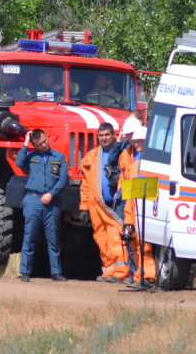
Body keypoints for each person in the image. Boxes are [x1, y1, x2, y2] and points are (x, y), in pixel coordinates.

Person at [16, 129, 69, 282]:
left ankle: (56, 273)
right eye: (40, 144)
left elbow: (63, 178)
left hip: (51, 201)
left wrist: (51, 193)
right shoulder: (31, 156)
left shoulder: (58, 157)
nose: (45, 145)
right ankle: (25, 272)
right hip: (33, 200)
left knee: (53, 238)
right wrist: (25, 143)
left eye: (45, 141)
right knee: (29, 236)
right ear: (35, 145)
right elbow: (19, 162)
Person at [79, 122, 129, 283]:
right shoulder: (91, 156)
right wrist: (84, 206)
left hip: (116, 204)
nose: (104, 138)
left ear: (114, 135)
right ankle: (109, 271)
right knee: (101, 237)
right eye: (101, 136)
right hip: (96, 205)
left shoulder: (124, 152)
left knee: (116, 236)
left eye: (107, 135)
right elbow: (85, 184)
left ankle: (121, 272)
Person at [121, 125, 156, 285]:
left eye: (140, 141)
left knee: (146, 246)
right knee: (136, 244)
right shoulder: (134, 166)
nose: (136, 144)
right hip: (135, 211)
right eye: (135, 142)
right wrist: (128, 222)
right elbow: (130, 198)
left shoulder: (155, 166)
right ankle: (139, 276)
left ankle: (148, 276)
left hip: (149, 212)